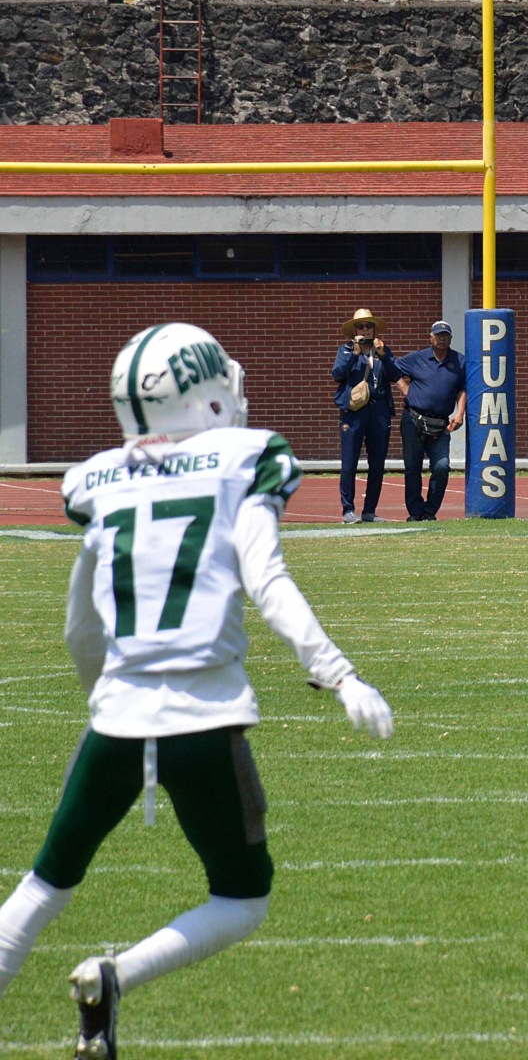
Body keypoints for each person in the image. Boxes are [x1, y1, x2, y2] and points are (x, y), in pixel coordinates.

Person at [0, 323, 394, 1058]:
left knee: (43, 888)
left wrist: (103, 696)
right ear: (203, 396)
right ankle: (116, 974)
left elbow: (80, 629)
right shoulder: (245, 460)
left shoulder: (98, 480)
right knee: (242, 898)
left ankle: (104, 981)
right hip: (203, 719)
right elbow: (266, 579)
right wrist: (339, 673)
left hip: (116, 719)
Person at [330, 308, 399, 523]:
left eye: (369, 326)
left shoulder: (382, 350)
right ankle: (348, 510)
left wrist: (384, 356)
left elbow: (395, 375)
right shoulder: (346, 350)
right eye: (361, 326)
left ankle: (369, 510)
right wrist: (355, 354)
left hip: (379, 411)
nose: (366, 330)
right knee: (349, 462)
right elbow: (337, 374)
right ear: (355, 330)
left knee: (377, 463)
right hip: (354, 412)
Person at [394, 320, 467, 521]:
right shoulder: (417, 358)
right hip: (413, 419)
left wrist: (460, 413)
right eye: (438, 335)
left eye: (446, 335)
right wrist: (404, 388)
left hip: (441, 423)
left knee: (442, 466)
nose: (442, 338)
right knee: (412, 467)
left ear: (450, 338)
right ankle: (415, 512)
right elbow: (393, 369)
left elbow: (462, 389)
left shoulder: (459, 361)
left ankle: (430, 510)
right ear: (431, 337)